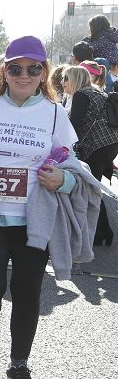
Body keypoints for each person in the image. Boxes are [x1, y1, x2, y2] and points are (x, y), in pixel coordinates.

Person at [0, 36, 80, 379]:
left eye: (33, 69)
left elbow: (73, 167)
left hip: (33, 221)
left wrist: (64, 179)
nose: (24, 75)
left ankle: (18, 366)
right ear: (4, 71)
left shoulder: (55, 113)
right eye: (16, 68)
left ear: (44, 72)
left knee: (28, 293)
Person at [63, 64, 118, 246]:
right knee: (93, 187)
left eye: (66, 79)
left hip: (97, 146)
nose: (63, 83)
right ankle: (104, 232)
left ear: (75, 79)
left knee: (90, 188)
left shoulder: (82, 95)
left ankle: (100, 232)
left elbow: (73, 125)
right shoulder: (96, 92)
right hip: (109, 144)